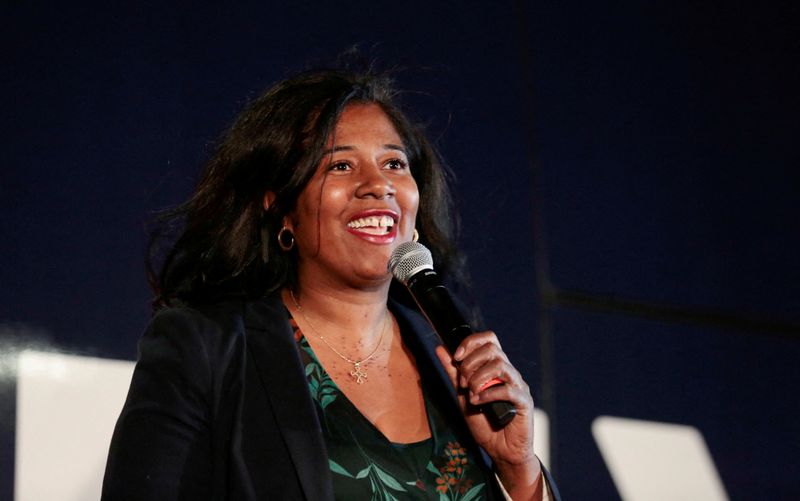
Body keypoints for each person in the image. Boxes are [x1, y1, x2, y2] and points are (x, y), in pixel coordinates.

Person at [102, 66, 560, 500]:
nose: (377, 185)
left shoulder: (454, 368)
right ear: (281, 210)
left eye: (395, 164)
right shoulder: (208, 350)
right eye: (340, 166)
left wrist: (519, 471)